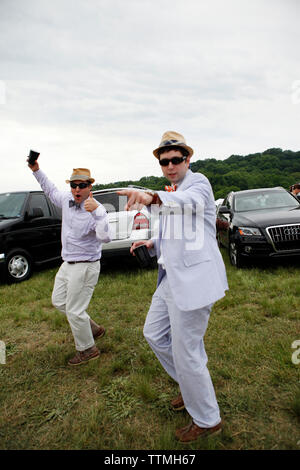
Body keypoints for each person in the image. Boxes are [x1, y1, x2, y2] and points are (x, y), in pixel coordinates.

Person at [118, 131, 228, 443]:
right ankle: (190, 387)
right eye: (164, 161)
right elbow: (176, 228)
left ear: (187, 159)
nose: (169, 165)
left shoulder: (197, 184)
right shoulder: (174, 189)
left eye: (175, 159)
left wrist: (151, 197)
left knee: (187, 352)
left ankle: (207, 419)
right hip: (170, 278)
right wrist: (150, 242)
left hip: (194, 282)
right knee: (153, 334)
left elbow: (188, 204)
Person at [27, 159, 111, 366]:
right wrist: (36, 170)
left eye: (82, 185)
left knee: (74, 310)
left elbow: (105, 238)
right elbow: (50, 189)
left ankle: (87, 349)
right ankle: (93, 329)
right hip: (67, 263)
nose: (77, 189)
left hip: (86, 265)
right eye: (74, 185)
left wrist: (98, 213)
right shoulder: (66, 199)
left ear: (90, 186)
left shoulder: (97, 209)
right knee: (58, 301)